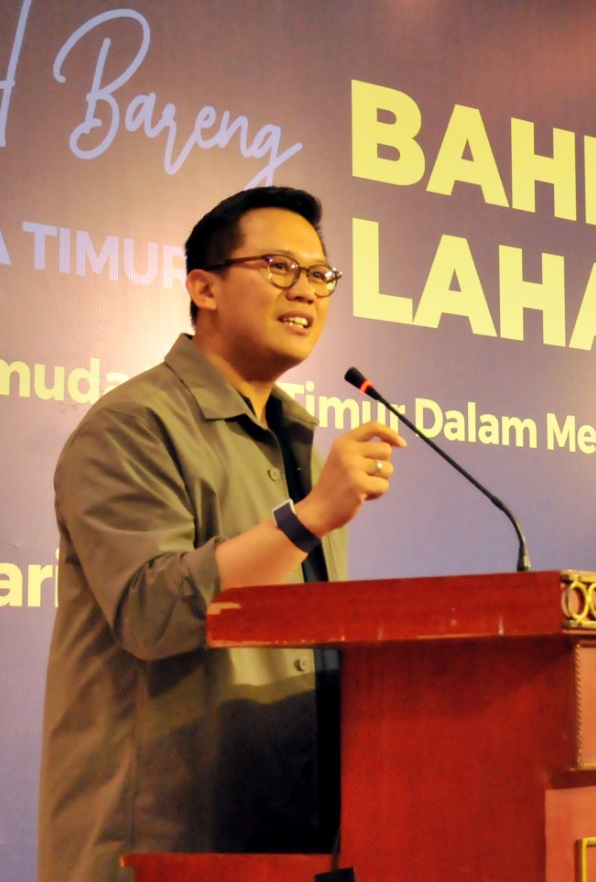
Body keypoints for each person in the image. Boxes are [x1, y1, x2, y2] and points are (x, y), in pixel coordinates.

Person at [37, 186, 404, 882]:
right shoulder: (134, 424)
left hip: (292, 832)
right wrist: (307, 518)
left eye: (319, 274)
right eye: (279, 267)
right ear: (204, 288)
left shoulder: (294, 440)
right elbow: (150, 612)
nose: (306, 290)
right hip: (166, 837)